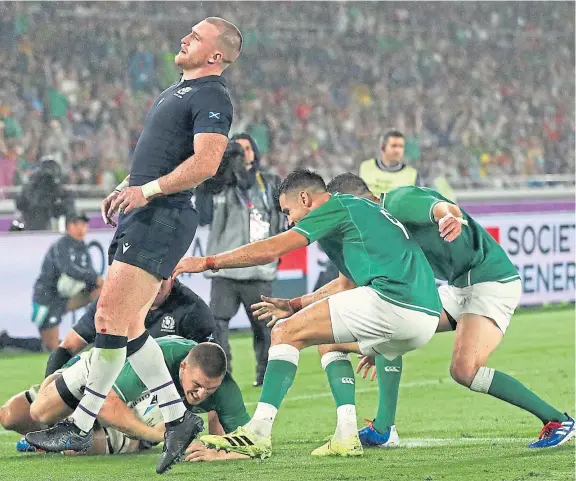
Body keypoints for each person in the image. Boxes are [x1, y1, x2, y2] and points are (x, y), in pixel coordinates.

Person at [25, 17, 243, 475]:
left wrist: (147, 192)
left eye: (197, 37)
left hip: (163, 217)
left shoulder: (212, 95)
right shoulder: (177, 90)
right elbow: (165, 154)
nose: (185, 37)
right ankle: (174, 419)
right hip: (147, 212)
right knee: (120, 323)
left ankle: (90, 424)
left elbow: (206, 162)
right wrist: (130, 184)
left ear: (216, 55)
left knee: (111, 319)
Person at [171, 168, 442, 458]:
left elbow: (272, 249)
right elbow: (344, 284)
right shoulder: (357, 214)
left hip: (395, 300)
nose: (289, 220)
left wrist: (209, 262)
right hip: (424, 315)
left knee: (284, 331)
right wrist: (295, 304)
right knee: (327, 339)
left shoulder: (334, 206)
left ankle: (257, 433)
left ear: (305, 198)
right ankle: (346, 434)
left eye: (288, 211)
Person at [323, 173, 575, 450]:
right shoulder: (378, 228)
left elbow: (439, 207)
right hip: (458, 288)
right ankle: (384, 429)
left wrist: (449, 217)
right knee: (391, 327)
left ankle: (557, 420)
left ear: (353, 201)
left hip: (490, 281)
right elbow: (345, 283)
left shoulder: (398, 200)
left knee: (464, 370)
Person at [2, 338, 249, 462]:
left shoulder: (224, 388)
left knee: (73, 447)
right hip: (99, 377)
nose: (201, 394)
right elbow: (105, 404)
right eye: (197, 385)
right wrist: (160, 437)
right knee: (20, 415)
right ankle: (56, 425)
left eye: (210, 389)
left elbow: (252, 441)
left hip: (142, 412)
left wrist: (219, 451)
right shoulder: (156, 357)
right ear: (183, 367)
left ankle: (54, 435)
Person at [195, 134, 282, 386]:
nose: (243, 154)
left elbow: (283, 220)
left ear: (255, 152)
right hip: (224, 270)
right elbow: (202, 217)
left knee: (264, 329)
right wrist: (211, 177)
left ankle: (266, 376)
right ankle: (224, 377)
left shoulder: (270, 182)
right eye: (237, 150)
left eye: (247, 148)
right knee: (218, 325)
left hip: (259, 270)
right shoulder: (217, 184)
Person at [44, 278, 216, 377]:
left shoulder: (193, 310)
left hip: (162, 394)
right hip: (110, 386)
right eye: (151, 275)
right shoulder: (112, 299)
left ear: (174, 273)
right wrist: (48, 391)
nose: (156, 283)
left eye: (162, 276)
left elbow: (212, 370)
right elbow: (67, 347)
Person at [27, 211, 103, 352]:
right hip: (48, 297)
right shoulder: (61, 245)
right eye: (77, 224)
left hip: (67, 297)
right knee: (51, 345)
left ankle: (99, 334)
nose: (82, 228)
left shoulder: (83, 248)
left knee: (101, 291)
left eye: (84, 224)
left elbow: (89, 272)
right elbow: (68, 269)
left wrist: (96, 280)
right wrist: (94, 277)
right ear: (69, 226)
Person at [358, 129, 424, 198]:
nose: (398, 150)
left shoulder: (412, 175)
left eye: (401, 146)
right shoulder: (365, 167)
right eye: (394, 146)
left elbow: (420, 203)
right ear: (382, 147)